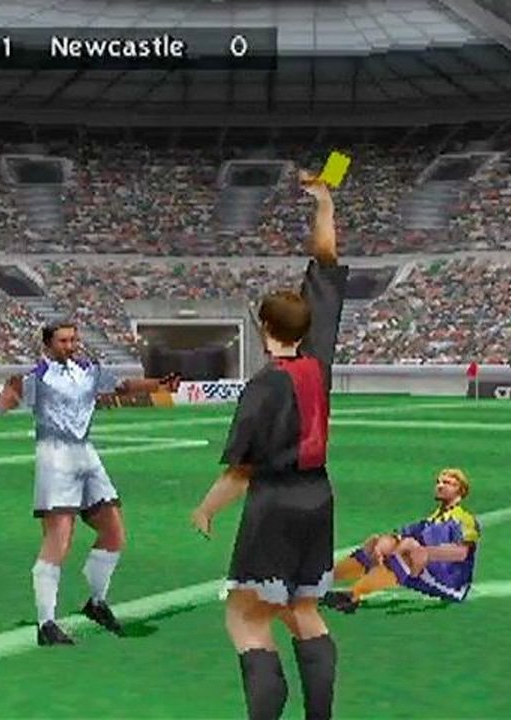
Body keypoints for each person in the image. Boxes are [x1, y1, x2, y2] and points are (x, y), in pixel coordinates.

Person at [190, 169, 347, 720]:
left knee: (247, 617)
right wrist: (324, 204)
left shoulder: (262, 387)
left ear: (262, 327)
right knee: (304, 610)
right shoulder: (318, 361)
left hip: (276, 501)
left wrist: (205, 510)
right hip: (319, 499)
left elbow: (241, 471)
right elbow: (326, 261)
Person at [0, 322, 180, 646]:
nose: (71, 345)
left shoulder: (87, 370)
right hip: (55, 458)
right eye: (63, 341)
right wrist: (6, 397)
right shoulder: (38, 378)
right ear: (48, 345)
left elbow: (122, 387)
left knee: (114, 532)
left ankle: (96, 602)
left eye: (73, 339)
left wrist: (158, 385)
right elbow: (3, 404)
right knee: (59, 539)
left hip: (86, 455)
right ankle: (46, 623)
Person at [322, 468, 481, 613]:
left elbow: (462, 553)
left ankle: (353, 596)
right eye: (438, 482)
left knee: (407, 549)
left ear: (460, 490)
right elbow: (399, 535)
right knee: (377, 544)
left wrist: (426, 552)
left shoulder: (463, 519)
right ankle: (322, 582)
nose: (440, 486)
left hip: (450, 583)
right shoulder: (432, 519)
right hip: (425, 570)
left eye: (447, 483)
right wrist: (383, 543)